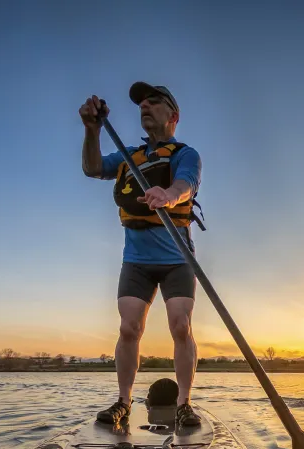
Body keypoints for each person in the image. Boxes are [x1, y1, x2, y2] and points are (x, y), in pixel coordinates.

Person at [79, 82, 202, 427]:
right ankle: (123, 401)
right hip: (136, 261)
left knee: (180, 325)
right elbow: (92, 168)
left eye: (155, 101)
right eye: (141, 103)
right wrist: (92, 130)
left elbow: (186, 184)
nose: (145, 106)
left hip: (177, 258)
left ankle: (184, 403)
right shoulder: (128, 156)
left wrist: (169, 195)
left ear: (173, 115)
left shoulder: (184, 153)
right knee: (129, 327)